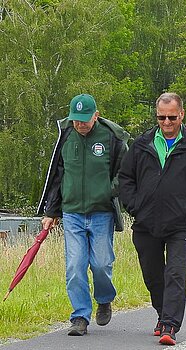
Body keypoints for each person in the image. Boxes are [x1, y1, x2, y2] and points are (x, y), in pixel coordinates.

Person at [119, 92, 186, 346]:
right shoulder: (142, 144)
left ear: (181, 114)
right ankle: (163, 314)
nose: (166, 122)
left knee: (175, 273)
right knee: (153, 276)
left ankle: (170, 325)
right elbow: (125, 179)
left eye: (171, 117)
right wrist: (134, 206)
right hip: (145, 223)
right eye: (161, 117)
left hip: (179, 224)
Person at [37, 94, 130, 336]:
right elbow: (57, 177)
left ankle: (104, 298)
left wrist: (108, 191)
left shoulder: (112, 138)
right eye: (76, 120)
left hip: (101, 212)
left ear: (95, 116)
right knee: (75, 266)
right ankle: (79, 316)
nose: (80, 125)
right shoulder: (66, 136)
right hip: (72, 212)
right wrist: (51, 211)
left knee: (101, 263)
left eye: (84, 120)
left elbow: (126, 171)